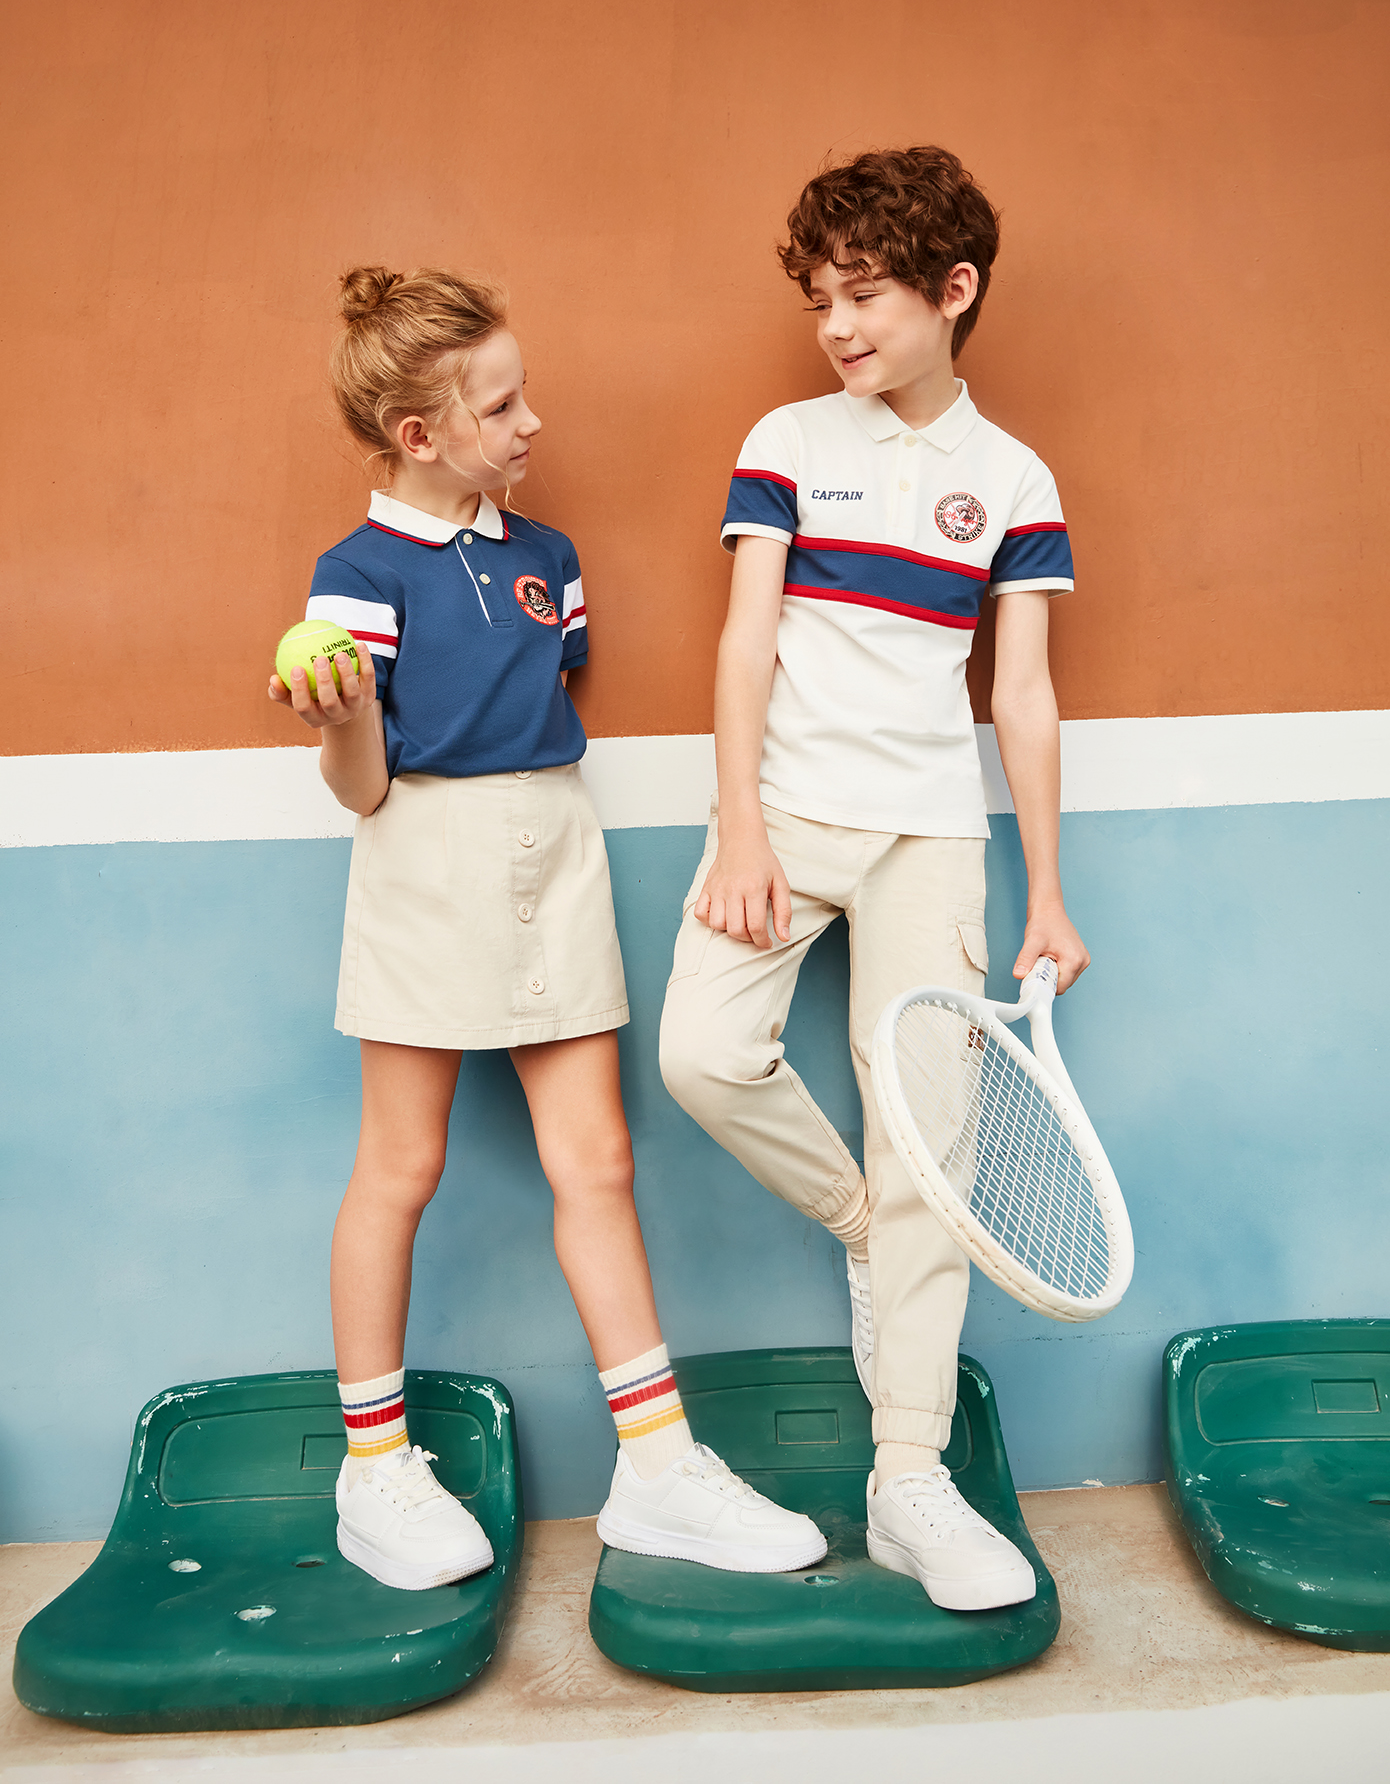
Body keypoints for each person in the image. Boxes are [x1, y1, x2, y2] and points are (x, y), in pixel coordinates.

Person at [269, 266, 826, 1591]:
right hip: (423, 859)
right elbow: (365, 788)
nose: (532, 423)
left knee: (600, 1161)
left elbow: (544, 699)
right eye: (503, 406)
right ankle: (372, 1468)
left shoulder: (547, 562)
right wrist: (341, 720)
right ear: (420, 433)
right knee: (400, 1166)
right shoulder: (352, 577)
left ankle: (657, 1467)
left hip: (557, 848)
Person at [659, 150, 1088, 1614]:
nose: (835, 326)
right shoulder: (785, 440)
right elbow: (745, 642)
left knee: (937, 1156)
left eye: (864, 296)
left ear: (952, 290)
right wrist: (739, 828)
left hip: (932, 839)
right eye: (819, 300)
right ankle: (861, 1225)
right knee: (703, 1054)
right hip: (784, 816)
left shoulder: (1014, 477)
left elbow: (1019, 694)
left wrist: (1045, 889)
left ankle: (910, 1480)